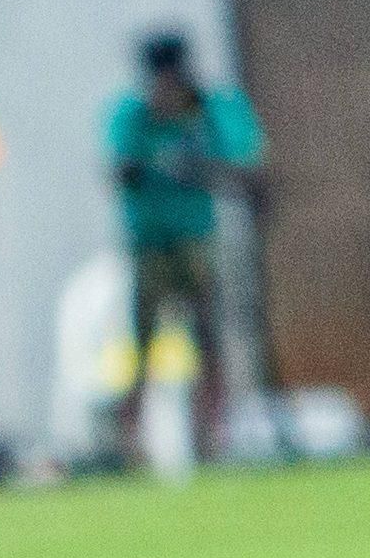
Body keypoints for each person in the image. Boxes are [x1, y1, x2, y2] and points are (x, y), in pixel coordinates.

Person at [105, 32, 266, 461]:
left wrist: (199, 168)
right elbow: (117, 170)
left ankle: (212, 435)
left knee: (208, 340)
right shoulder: (134, 116)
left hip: (195, 239)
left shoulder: (209, 111)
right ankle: (132, 443)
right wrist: (148, 160)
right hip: (149, 242)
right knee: (142, 344)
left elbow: (249, 170)